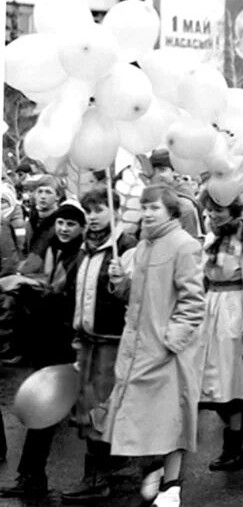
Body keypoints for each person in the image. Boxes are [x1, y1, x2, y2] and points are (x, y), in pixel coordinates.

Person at [103, 185, 205, 507]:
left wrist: (171, 341)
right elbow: (137, 298)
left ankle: (171, 486)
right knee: (144, 415)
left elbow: (192, 301)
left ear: (171, 212)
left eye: (154, 208)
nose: (147, 213)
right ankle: (155, 469)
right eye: (144, 207)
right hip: (138, 348)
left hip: (167, 352)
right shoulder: (143, 247)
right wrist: (119, 282)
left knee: (171, 418)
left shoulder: (184, 246)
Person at [0, 201, 86, 500]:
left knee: (85, 414)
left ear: (82, 228)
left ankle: (105, 473)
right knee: (43, 412)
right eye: (61, 223)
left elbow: (70, 299)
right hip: (45, 340)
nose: (63, 228)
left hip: (67, 343)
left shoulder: (81, 257)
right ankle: (31, 476)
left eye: (71, 224)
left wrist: (33, 290)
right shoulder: (50, 248)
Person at [60, 187, 138, 504]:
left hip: (113, 343)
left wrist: (122, 283)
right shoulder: (86, 248)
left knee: (100, 411)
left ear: (115, 211)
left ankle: (98, 478)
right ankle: (107, 470)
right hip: (88, 342)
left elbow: (136, 296)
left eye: (99, 209)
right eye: (89, 210)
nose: (92, 217)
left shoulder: (126, 247)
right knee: (87, 409)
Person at [196, 191, 243, 472]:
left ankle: (234, 445)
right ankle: (234, 435)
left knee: (231, 380)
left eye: (218, 210)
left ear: (232, 210)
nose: (212, 215)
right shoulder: (213, 235)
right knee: (213, 379)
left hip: (233, 309)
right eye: (210, 210)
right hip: (212, 306)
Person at [148, 149, 204, 240]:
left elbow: (193, 240)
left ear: (175, 171)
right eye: (153, 171)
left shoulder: (184, 204)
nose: (157, 175)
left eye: (162, 170)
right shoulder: (151, 196)